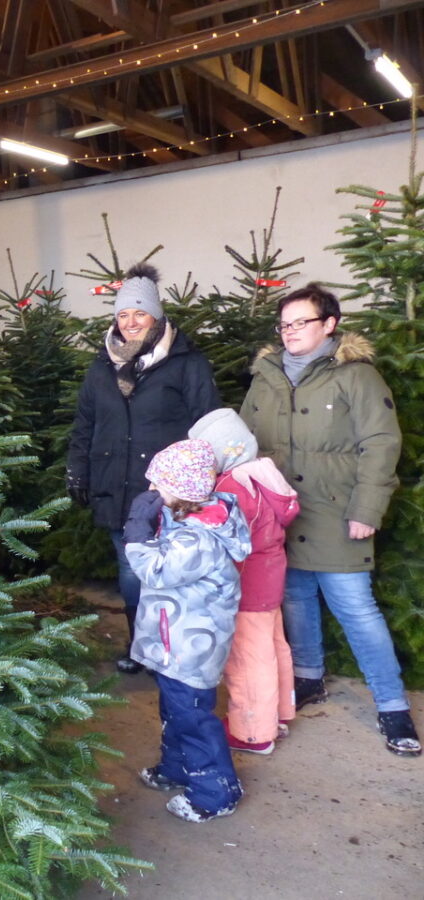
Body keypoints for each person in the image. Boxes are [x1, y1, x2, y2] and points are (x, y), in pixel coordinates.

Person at [240, 283, 420, 757]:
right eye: (284, 324)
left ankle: (392, 706)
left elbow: (381, 443)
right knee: (296, 600)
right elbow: (246, 441)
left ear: (329, 325)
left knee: (356, 609)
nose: (290, 331)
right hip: (281, 515)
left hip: (337, 515)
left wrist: (366, 509)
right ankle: (309, 679)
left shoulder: (356, 377)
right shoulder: (266, 375)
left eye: (301, 322)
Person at [66, 263, 220, 673]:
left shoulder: (186, 364)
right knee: (132, 571)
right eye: (122, 314)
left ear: (156, 316)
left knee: (170, 572)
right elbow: (85, 424)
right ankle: (141, 646)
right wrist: (77, 471)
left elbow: (209, 426)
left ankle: (174, 649)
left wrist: (201, 486)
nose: (130, 322)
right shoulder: (102, 367)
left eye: (139, 314)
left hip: (171, 493)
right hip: (116, 487)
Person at [124, 439, 250, 823]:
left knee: (192, 717)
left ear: (180, 491)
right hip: (174, 642)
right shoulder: (186, 522)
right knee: (176, 710)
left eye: (157, 484)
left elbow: (157, 571)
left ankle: (216, 791)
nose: (150, 491)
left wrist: (136, 534)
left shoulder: (196, 538)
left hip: (189, 647)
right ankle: (177, 768)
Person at [190, 408, 299, 754]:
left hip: (246, 587)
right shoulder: (264, 473)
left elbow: (227, 544)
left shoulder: (233, 487)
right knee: (272, 648)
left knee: (247, 659)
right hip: (270, 581)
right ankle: (276, 716)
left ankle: (252, 731)